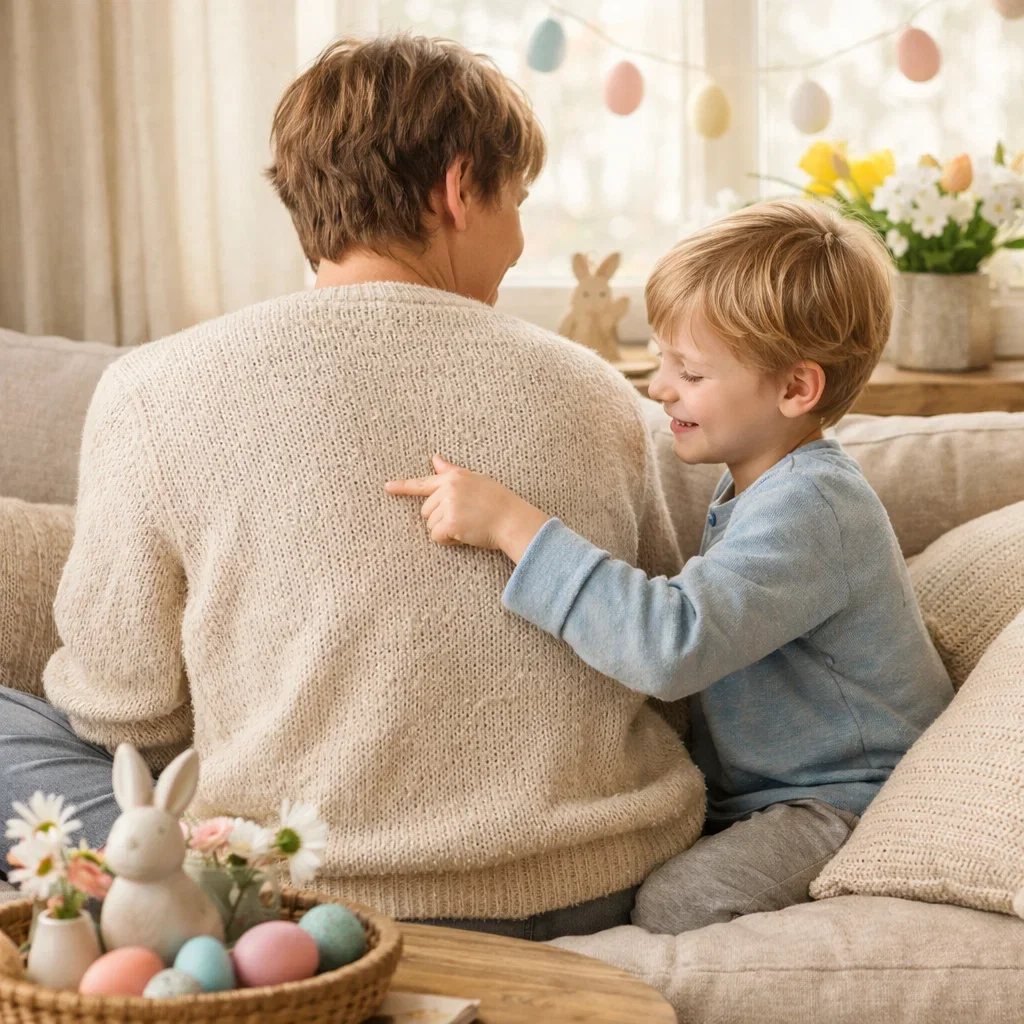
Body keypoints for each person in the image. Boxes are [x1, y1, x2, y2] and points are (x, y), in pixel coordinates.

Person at [0, 34, 707, 940]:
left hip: (298, 902)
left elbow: (120, 707)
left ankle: (172, 910)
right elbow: (668, 680)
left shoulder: (153, 391)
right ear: (460, 190)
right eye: (517, 201)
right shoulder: (595, 391)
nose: (518, 233)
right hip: (587, 878)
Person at [384, 198, 956, 935]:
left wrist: (511, 525)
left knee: (677, 902)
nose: (659, 389)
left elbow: (671, 642)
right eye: (661, 360)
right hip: (765, 792)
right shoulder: (760, 482)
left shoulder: (812, 505)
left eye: (687, 371)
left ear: (795, 389)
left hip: (843, 798)